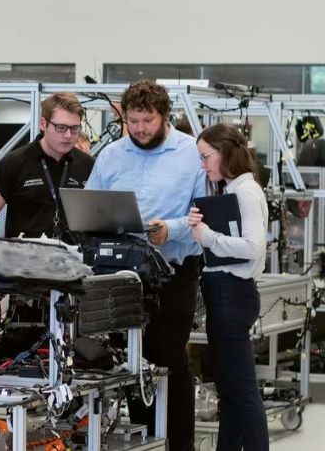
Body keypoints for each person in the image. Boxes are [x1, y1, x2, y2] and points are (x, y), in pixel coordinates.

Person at [86, 80, 205, 451]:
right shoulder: (111, 155)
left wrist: (172, 229)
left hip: (174, 273)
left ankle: (179, 443)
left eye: (147, 120)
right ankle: (145, 440)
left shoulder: (190, 154)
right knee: (133, 363)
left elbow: (204, 214)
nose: (139, 128)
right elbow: (90, 207)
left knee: (168, 356)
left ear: (164, 116)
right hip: (123, 276)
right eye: (133, 120)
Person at [188, 123, 269, 451]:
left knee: (243, 393)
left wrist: (207, 236)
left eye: (206, 156)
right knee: (231, 392)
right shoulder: (233, 190)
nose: (204, 164)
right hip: (225, 292)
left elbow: (253, 248)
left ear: (225, 152)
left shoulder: (245, 192)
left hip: (231, 294)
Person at [0, 92, 95, 241]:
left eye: (74, 128)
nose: (68, 135)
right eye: (61, 127)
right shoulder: (15, 162)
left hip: (74, 257)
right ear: (43, 124)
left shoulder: (88, 165)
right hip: (24, 258)